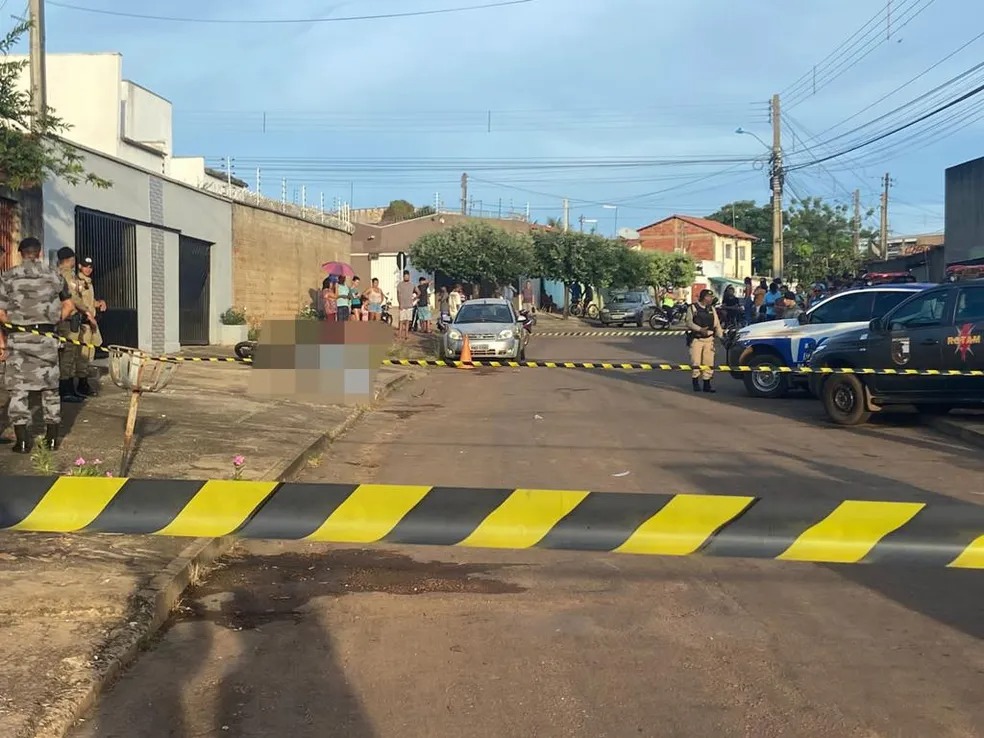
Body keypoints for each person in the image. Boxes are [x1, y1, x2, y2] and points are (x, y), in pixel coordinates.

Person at [0, 237, 75, 452]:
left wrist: (16, 325)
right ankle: (52, 439)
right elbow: (68, 306)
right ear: (39, 253)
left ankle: (22, 441)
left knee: (18, 391)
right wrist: (52, 321)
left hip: (19, 342)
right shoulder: (54, 275)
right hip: (46, 339)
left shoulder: (8, 277)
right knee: (50, 389)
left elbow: (1, 312)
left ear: (20, 253)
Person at [55, 247, 91, 403]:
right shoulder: (67, 275)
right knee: (68, 355)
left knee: (70, 355)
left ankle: (69, 388)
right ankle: (65, 389)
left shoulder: (59, 273)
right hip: (68, 320)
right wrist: (87, 311)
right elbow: (74, 298)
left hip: (67, 320)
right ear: (70, 260)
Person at [74, 256, 106, 396]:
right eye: (86, 266)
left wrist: (99, 303)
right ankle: (82, 384)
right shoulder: (78, 282)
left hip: (90, 323)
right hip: (83, 323)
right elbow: (77, 302)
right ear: (80, 266)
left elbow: (89, 301)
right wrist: (88, 315)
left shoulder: (88, 283)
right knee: (83, 355)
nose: (88, 269)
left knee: (90, 353)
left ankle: (84, 381)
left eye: (90, 267)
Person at [684, 288, 723, 394]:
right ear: (703, 297)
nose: (710, 299)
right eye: (708, 297)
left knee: (708, 362)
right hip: (697, 339)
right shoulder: (693, 308)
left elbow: (717, 324)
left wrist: (721, 336)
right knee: (696, 361)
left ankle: (707, 383)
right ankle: (695, 382)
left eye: (711, 297)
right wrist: (700, 329)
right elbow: (689, 323)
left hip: (709, 340)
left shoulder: (712, 309)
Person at [396, 270, 415, 340]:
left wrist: (414, 299)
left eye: (408, 276)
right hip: (402, 306)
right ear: (403, 276)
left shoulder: (412, 285)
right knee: (401, 320)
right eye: (405, 276)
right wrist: (399, 303)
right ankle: (399, 334)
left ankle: (406, 334)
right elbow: (398, 295)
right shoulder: (400, 285)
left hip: (409, 306)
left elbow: (418, 292)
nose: (407, 277)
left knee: (407, 321)